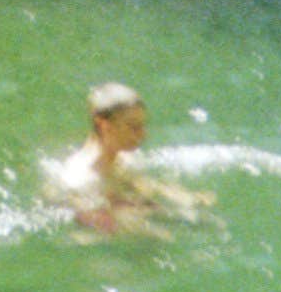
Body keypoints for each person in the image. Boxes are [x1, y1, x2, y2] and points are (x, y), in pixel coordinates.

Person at [40, 81, 212, 236]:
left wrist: (184, 197)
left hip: (120, 209)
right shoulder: (80, 177)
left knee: (203, 219)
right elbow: (95, 221)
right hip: (101, 239)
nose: (143, 134)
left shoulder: (124, 159)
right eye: (133, 127)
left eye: (142, 125)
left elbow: (142, 188)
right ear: (104, 125)